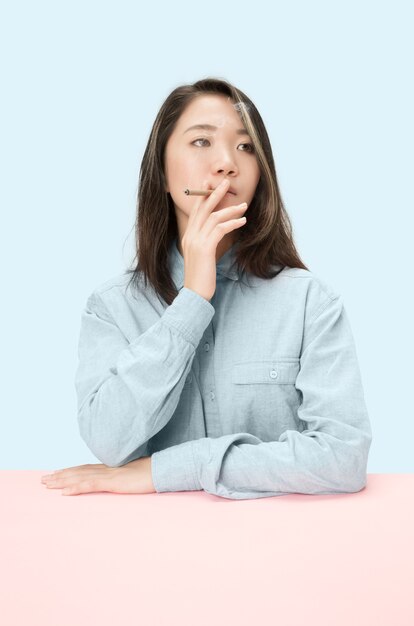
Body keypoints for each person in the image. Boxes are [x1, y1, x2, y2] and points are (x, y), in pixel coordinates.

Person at [41, 77, 372, 499]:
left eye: (245, 146)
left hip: (283, 549)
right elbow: (108, 441)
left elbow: (344, 458)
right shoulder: (111, 307)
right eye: (201, 142)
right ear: (161, 171)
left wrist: (173, 468)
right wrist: (192, 299)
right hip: (151, 549)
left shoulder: (310, 302)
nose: (226, 163)